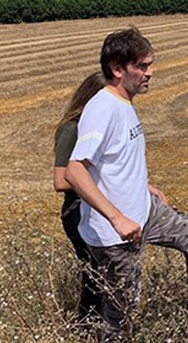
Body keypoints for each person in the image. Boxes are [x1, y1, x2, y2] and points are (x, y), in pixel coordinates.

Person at [64, 27, 188, 341]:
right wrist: (116, 218)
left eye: (150, 65)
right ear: (117, 69)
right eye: (142, 66)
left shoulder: (124, 102)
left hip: (145, 211)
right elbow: (74, 172)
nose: (150, 73)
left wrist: (144, 185)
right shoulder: (103, 109)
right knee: (121, 315)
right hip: (114, 233)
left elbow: (114, 161)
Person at [53, 71, 106, 323]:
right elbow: (61, 181)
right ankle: (87, 328)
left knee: (103, 274)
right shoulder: (71, 130)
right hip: (77, 213)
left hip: (95, 210)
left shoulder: (93, 129)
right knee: (95, 276)